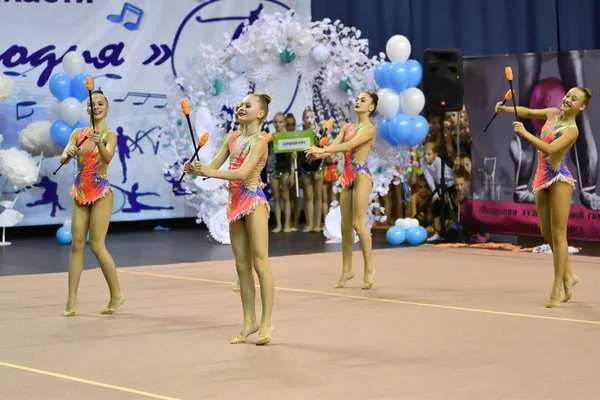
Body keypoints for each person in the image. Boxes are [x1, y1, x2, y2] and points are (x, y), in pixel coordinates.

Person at [184, 93, 274, 344]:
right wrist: (197, 168)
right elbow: (212, 165)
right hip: (235, 205)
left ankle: (266, 322)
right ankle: (249, 321)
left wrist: (210, 171)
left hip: (253, 200)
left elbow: (243, 173)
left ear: (261, 113)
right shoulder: (231, 138)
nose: (241, 108)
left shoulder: (260, 141)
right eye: (239, 105)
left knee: (260, 263)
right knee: (241, 267)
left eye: (248, 105)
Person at [496, 86, 593, 307]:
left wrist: (525, 133)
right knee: (545, 232)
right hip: (541, 178)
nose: (568, 99)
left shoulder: (572, 129)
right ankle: (569, 275)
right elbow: (529, 112)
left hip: (559, 179)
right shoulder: (552, 113)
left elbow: (549, 150)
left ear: (582, 106)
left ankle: (557, 288)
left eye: (574, 98)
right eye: (568, 95)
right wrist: (506, 110)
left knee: (559, 236)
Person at [60, 89, 125, 317]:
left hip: (101, 193)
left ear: (107, 108)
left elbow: (107, 158)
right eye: (92, 104)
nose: (96, 107)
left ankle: (116, 294)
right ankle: (71, 299)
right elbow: (64, 159)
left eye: (100, 103)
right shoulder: (78, 133)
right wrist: (68, 152)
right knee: (76, 244)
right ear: (87, 109)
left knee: (96, 245)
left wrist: (99, 143)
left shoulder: (109, 135)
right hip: (80, 192)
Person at [305, 92, 378, 290]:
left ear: (371, 108)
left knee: (358, 223)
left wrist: (323, 151)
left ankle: (369, 269)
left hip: (361, 174)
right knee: (345, 226)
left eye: (363, 100)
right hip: (347, 177)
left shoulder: (370, 129)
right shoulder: (347, 127)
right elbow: (336, 146)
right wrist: (319, 151)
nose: (358, 102)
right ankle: (347, 269)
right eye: (357, 99)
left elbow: (350, 146)